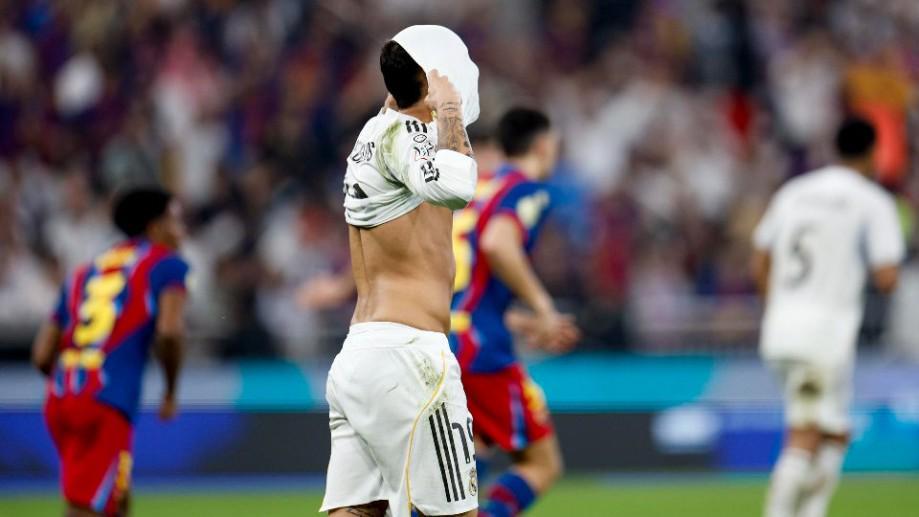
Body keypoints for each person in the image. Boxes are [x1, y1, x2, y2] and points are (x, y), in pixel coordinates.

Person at [321, 25, 480, 517]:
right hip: (409, 358)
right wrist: (447, 108)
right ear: (429, 83)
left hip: (361, 355)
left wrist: (416, 95)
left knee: (357, 510)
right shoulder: (406, 136)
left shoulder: (374, 134)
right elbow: (457, 187)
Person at [752, 117, 904, 517]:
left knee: (835, 431)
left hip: (781, 328)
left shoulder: (794, 192)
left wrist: (777, 308)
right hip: (824, 334)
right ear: (873, 153)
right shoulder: (873, 201)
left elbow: (760, 256)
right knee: (806, 432)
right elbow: (887, 277)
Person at [449, 107, 580, 517]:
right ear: (542, 145)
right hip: (481, 349)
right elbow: (497, 244)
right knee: (543, 464)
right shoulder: (527, 190)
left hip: (447, 338)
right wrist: (544, 308)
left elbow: (466, 287)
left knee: (471, 455)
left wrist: (521, 321)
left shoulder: (479, 189)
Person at [32, 187, 189, 517]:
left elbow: (43, 355)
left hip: (61, 396)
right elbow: (169, 333)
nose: (181, 231)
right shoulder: (166, 264)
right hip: (106, 398)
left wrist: (74, 385)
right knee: (87, 507)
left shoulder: (83, 273)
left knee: (114, 499)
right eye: (175, 221)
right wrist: (171, 390)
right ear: (155, 226)